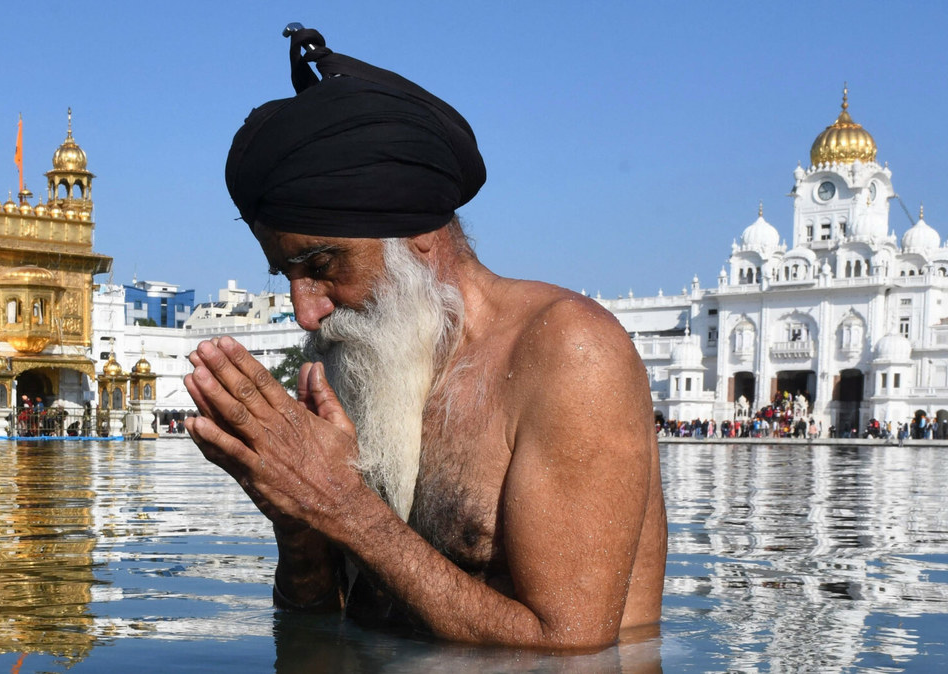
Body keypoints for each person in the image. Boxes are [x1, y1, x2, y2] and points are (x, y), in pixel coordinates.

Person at [185, 26, 665, 651]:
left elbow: (569, 646)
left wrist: (339, 504)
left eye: (323, 266)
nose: (306, 312)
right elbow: (320, 626)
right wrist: (298, 526)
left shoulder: (568, 352)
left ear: (417, 233)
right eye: (289, 275)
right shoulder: (362, 369)